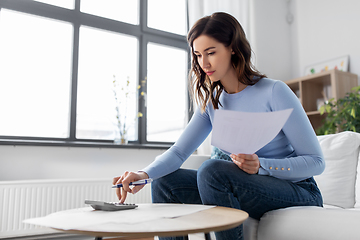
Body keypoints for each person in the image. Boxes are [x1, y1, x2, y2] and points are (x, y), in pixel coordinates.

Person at [113, 12, 325, 240]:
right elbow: (178, 152)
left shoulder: (274, 91)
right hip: (249, 187)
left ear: (232, 48)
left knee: (212, 170)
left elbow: (316, 162)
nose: (204, 63)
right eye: (198, 55)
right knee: (165, 182)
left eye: (211, 53)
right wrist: (144, 174)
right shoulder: (213, 102)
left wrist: (262, 166)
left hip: (299, 190)